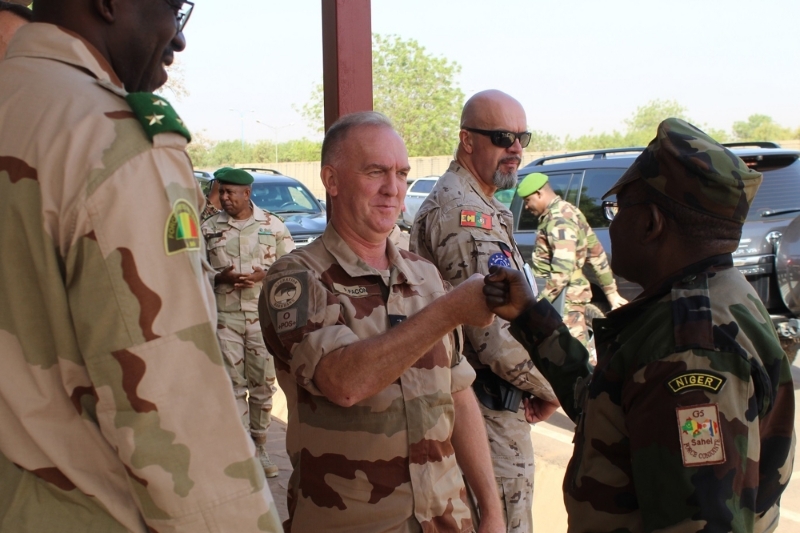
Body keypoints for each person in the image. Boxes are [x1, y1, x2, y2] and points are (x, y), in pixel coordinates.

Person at [0, 2, 282, 531]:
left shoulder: (16, 103)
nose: (178, 39)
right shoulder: (113, 141)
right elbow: (173, 411)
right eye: (170, 9)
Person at [483, 118, 795, 533]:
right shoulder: (716, 295)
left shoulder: (689, 350)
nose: (609, 226)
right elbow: (614, 412)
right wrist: (530, 316)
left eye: (616, 209)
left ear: (650, 223)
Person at [259, 111, 505, 532]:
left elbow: (459, 395)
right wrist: (448, 312)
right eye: (376, 172)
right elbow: (343, 383)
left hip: (447, 519)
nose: (394, 189)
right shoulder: (298, 278)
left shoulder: (424, 275)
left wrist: (492, 510)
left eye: (402, 174)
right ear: (332, 180)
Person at [410, 90, 558, 533]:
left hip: (488, 404)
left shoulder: (483, 205)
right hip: (486, 410)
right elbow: (490, 335)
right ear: (467, 140)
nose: (516, 149)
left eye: (522, 138)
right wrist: (555, 385)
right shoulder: (464, 215)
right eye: (502, 137)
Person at [201, 168, 294, 478]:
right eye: (221, 191)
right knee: (232, 386)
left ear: (247, 193)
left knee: (263, 386)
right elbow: (195, 271)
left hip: (261, 320)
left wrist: (264, 275)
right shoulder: (209, 228)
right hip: (225, 319)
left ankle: (260, 445)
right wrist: (220, 277)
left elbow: (291, 270)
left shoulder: (274, 226)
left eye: (230, 192)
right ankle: (243, 450)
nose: (224, 197)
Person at [517, 172, 627, 348]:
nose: (527, 207)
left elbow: (562, 272)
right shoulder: (569, 211)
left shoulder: (558, 219)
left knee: (572, 353)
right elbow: (596, 254)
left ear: (539, 193)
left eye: (527, 200)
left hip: (564, 300)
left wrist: (537, 304)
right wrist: (611, 292)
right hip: (567, 297)